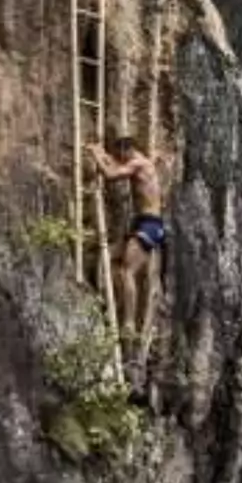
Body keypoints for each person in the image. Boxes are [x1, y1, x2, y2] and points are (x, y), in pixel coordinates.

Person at [87, 135, 165, 345]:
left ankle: (129, 323)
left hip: (150, 224)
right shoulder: (140, 161)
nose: (119, 159)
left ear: (127, 150)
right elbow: (116, 165)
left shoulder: (139, 164)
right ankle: (103, 298)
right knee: (107, 256)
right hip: (142, 223)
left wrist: (95, 155)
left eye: (119, 155)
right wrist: (102, 153)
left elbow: (111, 174)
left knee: (126, 270)